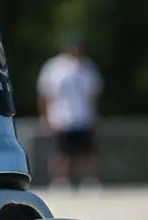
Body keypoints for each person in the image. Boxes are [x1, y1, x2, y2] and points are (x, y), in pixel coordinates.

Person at [37, 34, 102, 188]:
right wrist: (45, 116)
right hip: (61, 118)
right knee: (61, 152)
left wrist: (95, 115)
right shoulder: (54, 67)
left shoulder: (87, 67)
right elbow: (45, 94)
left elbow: (94, 94)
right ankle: (60, 181)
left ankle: (89, 181)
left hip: (83, 117)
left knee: (86, 152)